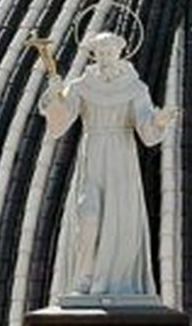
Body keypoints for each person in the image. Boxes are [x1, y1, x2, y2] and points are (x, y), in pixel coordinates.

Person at [39, 31, 175, 298]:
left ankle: (114, 281)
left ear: (120, 53)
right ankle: (85, 276)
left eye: (109, 52)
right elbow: (61, 122)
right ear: (93, 54)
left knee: (119, 221)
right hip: (93, 156)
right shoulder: (81, 86)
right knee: (87, 216)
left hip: (121, 159)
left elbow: (146, 131)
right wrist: (54, 98)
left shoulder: (136, 88)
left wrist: (159, 120)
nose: (104, 57)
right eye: (99, 52)